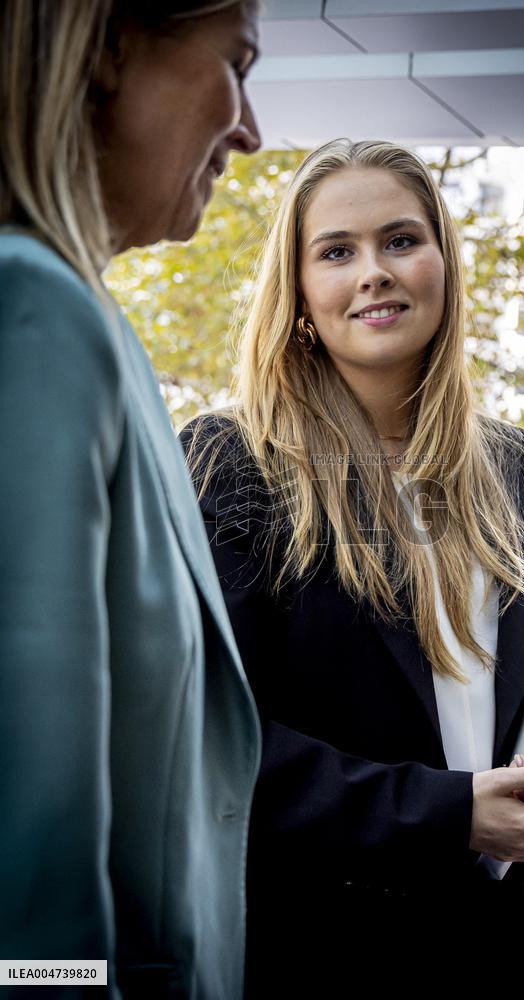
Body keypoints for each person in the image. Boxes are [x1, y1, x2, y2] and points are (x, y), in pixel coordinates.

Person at [183, 139, 524, 999]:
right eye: (337, 252)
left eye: (401, 240)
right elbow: (205, 737)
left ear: (444, 268)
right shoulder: (232, 461)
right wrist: (451, 812)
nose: (374, 271)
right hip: (317, 943)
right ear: (302, 293)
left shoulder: (513, 465)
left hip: (489, 941)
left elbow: (486, 709)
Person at [0, 2, 262, 996]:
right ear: (108, 49)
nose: (250, 128)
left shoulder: (101, 328)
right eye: (237, 65)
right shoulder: (36, 308)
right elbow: (29, 875)